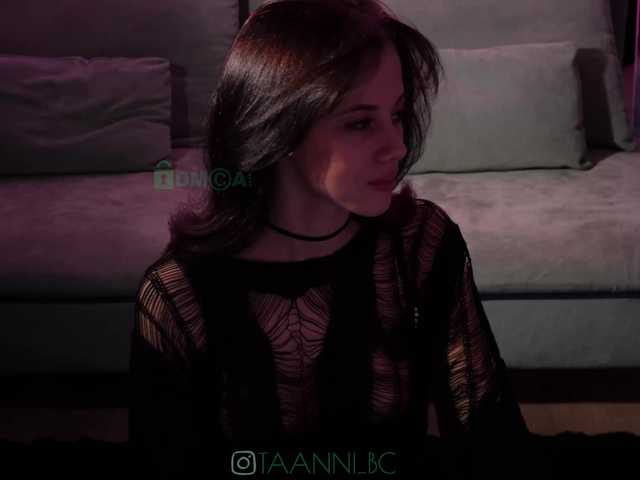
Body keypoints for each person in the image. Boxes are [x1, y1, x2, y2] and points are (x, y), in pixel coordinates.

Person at [129, 0, 545, 478]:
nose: (398, 146)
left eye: (397, 114)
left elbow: (490, 434)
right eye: (361, 122)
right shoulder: (178, 294)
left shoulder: (421, 245)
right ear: (279, 126)